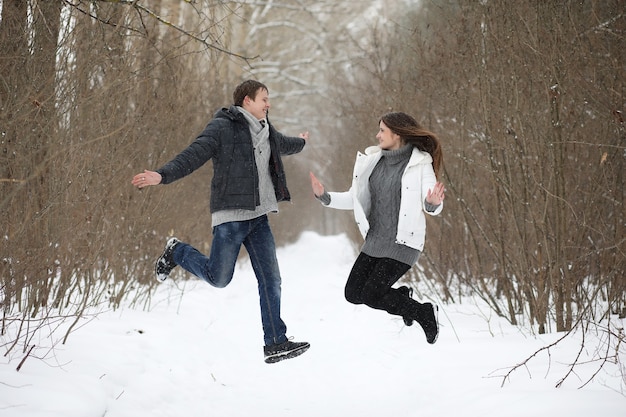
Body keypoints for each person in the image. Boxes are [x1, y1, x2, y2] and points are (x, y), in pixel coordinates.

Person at [132, 80, 310, 363]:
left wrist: (301, 142)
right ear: (247, 101)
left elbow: (284, 144)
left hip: (259, 217)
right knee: (219, 278)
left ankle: (276, 341)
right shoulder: (223, 127)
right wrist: (162, 175)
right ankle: (176, 251)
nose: (269, 104)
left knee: (271, 279)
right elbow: (194, 154)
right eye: (264, 99)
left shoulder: (266, 130)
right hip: (230, 216)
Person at [309, 111, 445, 344]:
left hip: (403, 243)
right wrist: (325, 196)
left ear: (398, 133)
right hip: (375, 241)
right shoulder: (373, 161)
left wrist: (432, 204)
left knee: (372, 295)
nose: (377, 134)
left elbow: (431, 198)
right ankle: (402, 296)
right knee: (353, 294)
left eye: (382, 130)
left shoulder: (421, 163)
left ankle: (423, 312)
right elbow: (355, 199)